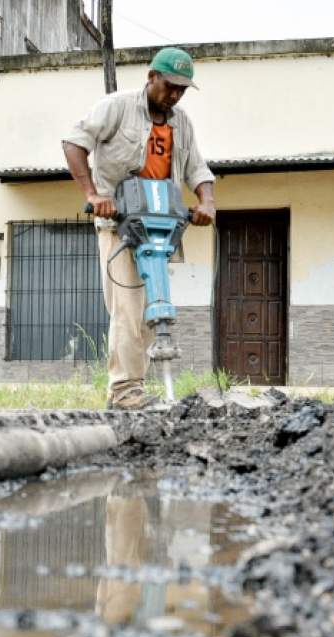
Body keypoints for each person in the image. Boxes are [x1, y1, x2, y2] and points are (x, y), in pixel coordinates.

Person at [62, 47, 216, 410]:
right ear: (151, 77)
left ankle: (136, 389)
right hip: (121, 227)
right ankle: (125, 392)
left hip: (161, 226)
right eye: (170, 86)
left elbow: (197, 168)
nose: (175, 94)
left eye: (182, 89)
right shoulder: (116, 107)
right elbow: (74, 143)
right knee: (129, 310)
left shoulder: (182, 123)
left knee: (152, 310)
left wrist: (206, 202)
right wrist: (94, 193)